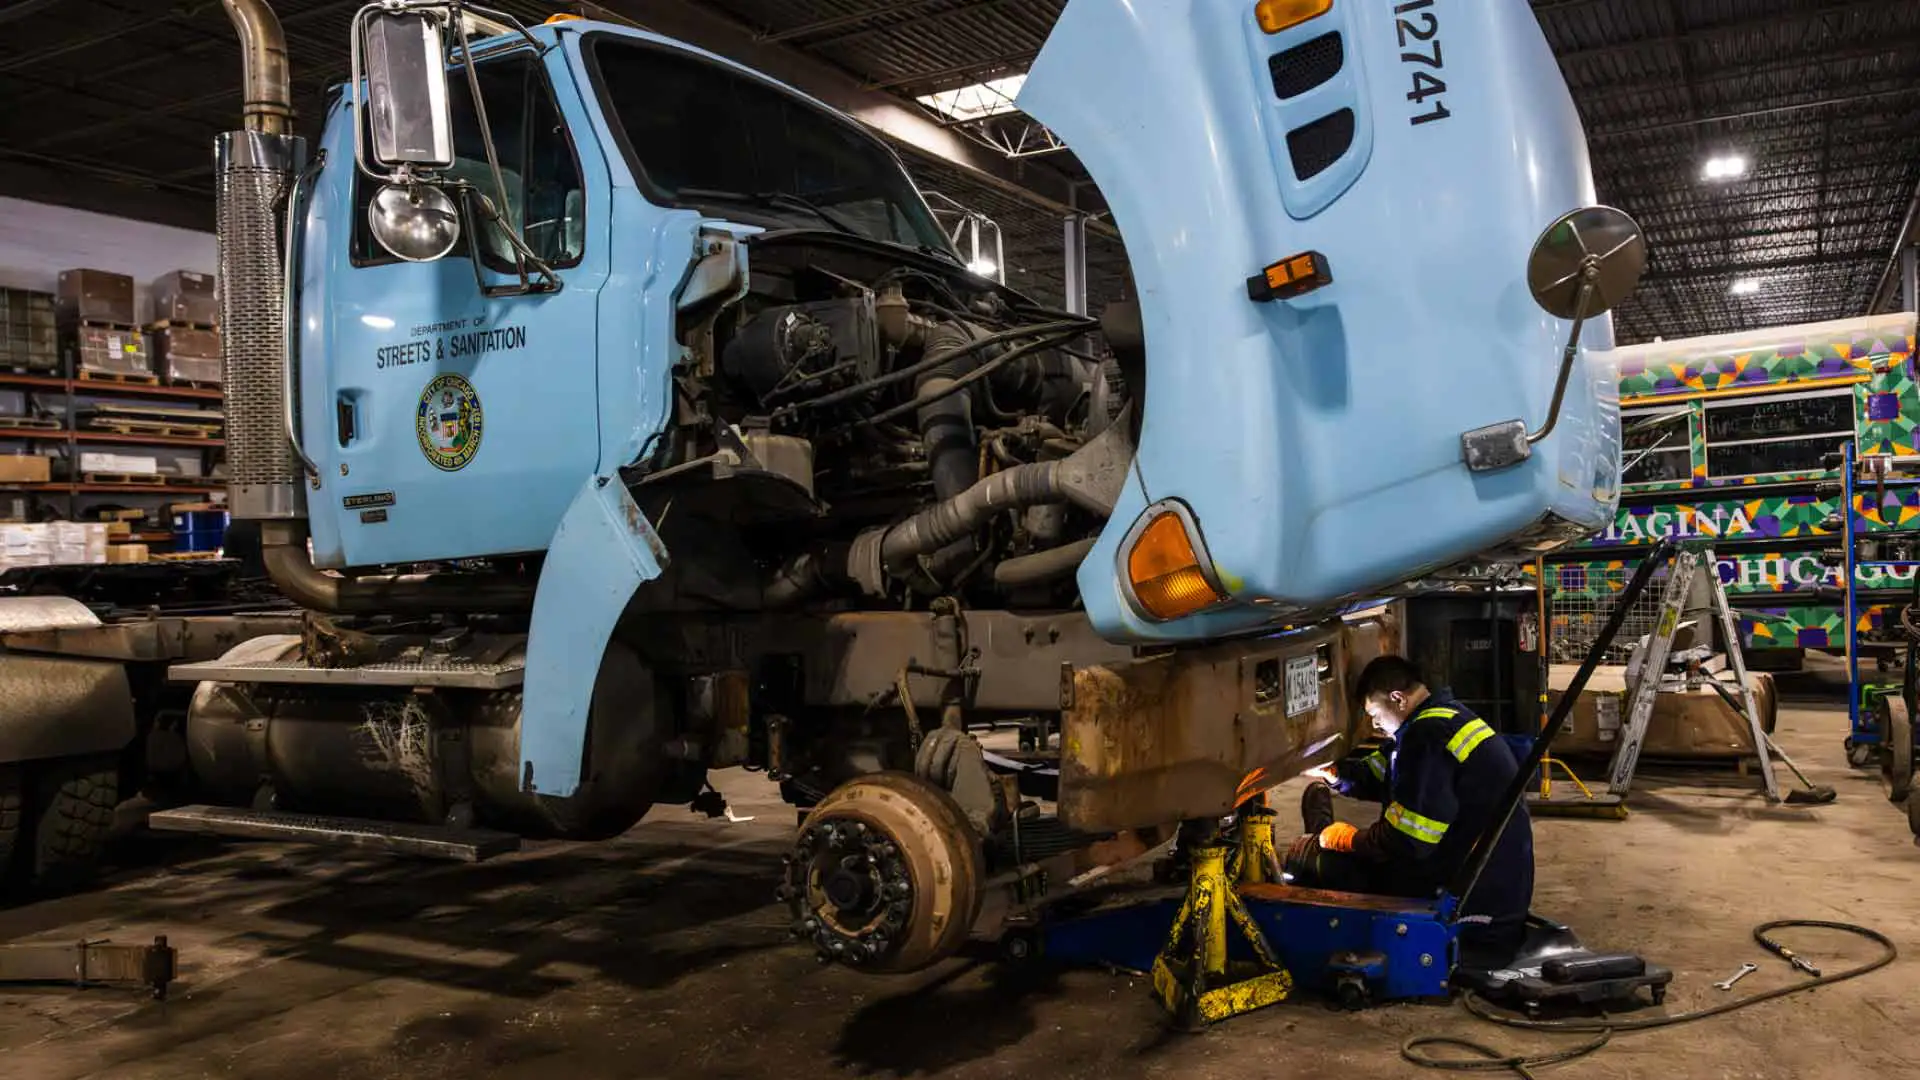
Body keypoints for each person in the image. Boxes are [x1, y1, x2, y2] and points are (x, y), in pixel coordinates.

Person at [1284, 654, 1534, 956]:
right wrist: (1334, 774)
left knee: (1318, 862)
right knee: (1334, 847)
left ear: (1398, 699)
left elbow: (1407, 841)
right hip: (1490, 883)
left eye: (1375, 714)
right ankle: (1320, 834)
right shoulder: (1439, 718)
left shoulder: (1426, 735)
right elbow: (1381, 773)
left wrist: (1350, 840)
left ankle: (1315, 843)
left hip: (1470, 904)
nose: (1375, 724)